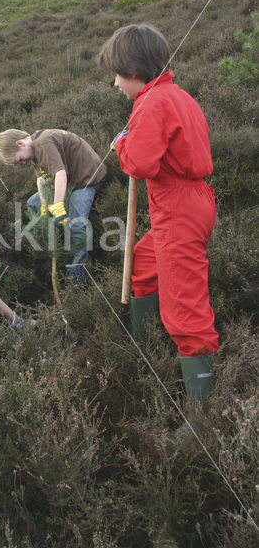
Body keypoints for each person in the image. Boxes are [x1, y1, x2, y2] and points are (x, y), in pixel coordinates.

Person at [97, 23, 219, 412]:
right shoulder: (176, 94)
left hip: (179, 210)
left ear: (133, 73)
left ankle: (204, 415)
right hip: (190, 202)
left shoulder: (151, 103)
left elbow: (141, 162)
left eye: (117, 76)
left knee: (185, 309)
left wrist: (122, 145)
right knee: (144, 265)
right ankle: (145, 346)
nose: (115, 85)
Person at [0, 128, 106, 283]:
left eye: (19, 159)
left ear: (20, 143)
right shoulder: (33, 150)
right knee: (32, 203)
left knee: (77, 224)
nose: (23, 162)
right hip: (69, 182)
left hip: (86, 180)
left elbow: (60, 174)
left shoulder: (44, 142)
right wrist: (44, 206)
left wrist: (58, 205)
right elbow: (42, 180)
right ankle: (58, 244)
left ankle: (78, 275)